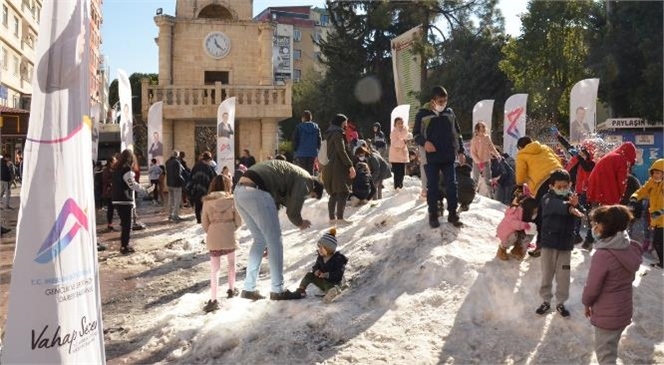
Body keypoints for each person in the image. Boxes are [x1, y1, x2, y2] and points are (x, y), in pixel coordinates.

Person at [234, 160, 324, 300]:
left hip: (240, 191)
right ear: (314, 188)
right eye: (311, 196)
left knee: (260, 240)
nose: (306, 197)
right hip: (257, 191)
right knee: (275, 240)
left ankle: (248, 288)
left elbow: (273, 205)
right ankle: (278, 290)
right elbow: (292, 210)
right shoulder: (306, 180)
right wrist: (300, 223)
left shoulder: (290, 176)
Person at [582, 205, 643, 364]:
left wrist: (587, 303)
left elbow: (592, 286)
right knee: (611, 348)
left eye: (598, 224)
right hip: (622, 311)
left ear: (608, 227)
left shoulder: (603, 254)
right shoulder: (629, 247)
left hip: (607, 314)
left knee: (605, 356)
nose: (594, 227)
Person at [535, 169, 585, 318]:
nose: (563, 189)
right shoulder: (547, 198)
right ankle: (545, 301)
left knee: (563, 276)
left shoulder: (572, 198)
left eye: (566, 186)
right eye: (559, 186)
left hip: (565, 245)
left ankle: (561, 303)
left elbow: (580, 211)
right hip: (549, 244)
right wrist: (570, 207)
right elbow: (556, 206)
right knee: (547, 274)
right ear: (551, 186)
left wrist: (577, 207)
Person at [413, 86, 464, 228]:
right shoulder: (422, 114)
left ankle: (453, 213)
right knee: (432, 186)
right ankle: (433, 215)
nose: (443, 103)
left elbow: (457, 133)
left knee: (452, 185)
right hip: (431, 158)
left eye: (445, 101)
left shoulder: (450, 113)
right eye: (440, 101)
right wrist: (425, 142)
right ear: (433, 101)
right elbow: (416, 135)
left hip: (448, 155)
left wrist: (461, 151)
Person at [514, 136, 563, 257]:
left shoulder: (522, 154)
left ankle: (542, 245)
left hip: (544, 183)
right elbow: (557, 159)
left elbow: (520, 172)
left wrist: (519, 186)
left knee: (543, 214)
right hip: (562, 177)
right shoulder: (544, 147)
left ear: (520, 147)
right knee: (562, 210)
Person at [201, 175, 243, 313]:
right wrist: (231, 228)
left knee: (215, 269)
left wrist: (212, 231)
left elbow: (204, 223)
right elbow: (239, 220)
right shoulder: (232, 200)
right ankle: (231, 289)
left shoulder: (207, 202)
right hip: (229, 234)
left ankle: (213, 300)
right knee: (231, 264)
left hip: (213, 235)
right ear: (227, 186)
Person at [294, 228, 349, 302]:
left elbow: (339, 274)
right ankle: (301, 290)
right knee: (309, 275)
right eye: (319, 247)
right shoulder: (321, 257)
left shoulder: (338, 259)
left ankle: (332, 293)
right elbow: (315, 266)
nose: (319, 250)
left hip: (334, 282)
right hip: (323, 280)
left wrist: (327, 275)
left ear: (329, 248)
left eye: (321, 248)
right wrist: (316, 271)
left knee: (331, 285)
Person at [321, 114, 356, 224]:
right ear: (341, 123)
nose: (346, 124)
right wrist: (350, 165)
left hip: (327, 166)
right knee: (343, 191)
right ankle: (340, 218)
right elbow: (341, 151)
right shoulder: (338, 134)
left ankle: (332, 219)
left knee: (334, 193)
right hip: (337, 166)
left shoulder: (327, 134)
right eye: (345, 122)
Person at [112, 149, 147, 255]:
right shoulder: (126, 169)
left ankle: (124, 245)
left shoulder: (116, 169)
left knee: (124, 224)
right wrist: (144, 190)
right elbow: (132, 184)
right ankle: (125, 246)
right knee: (127, 225)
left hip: (116, 199)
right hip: (125, 200)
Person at [629, 158, 663, 268]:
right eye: (654, 173)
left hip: (661, 218)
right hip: (657, 219)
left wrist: (660, 212)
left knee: (659, 242)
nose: (656, 175)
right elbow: (642, 191)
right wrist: (635, 197)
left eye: (658, 173)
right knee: (657, 242)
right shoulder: (651, 182)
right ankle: (662, 262)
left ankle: (662, 263)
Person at [495, 188, 538, 261]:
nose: (535, 213)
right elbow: (513, 223)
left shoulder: (528, 215)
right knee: (513, 236)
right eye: (534, 211)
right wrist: (524, 225)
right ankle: (502, 249)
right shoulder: (516, 212)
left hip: (518, 231)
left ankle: (518, 248)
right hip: (507, 232)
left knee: (530, 233)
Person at [470, 121, 501, 198]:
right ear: (478, 129)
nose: (484, 128)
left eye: (484, 127)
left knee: (488, 180)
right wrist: (478, 161)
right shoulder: (474, 139)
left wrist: (497, 155)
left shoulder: (487, 138)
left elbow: (491, 148)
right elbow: (473, 153)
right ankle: (472, 195)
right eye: (482, 127)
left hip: (486, 161)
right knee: (475, 179)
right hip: (477, 162)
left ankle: (491, 196)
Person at [190, 151, 218, 224]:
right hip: (206, 190)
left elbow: (191, 177)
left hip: (196, 189)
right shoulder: (209, 168)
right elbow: (214, 179)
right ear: (208, 159)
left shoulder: (196, 166)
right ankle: (205, 219)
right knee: (205, 205)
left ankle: (198, 220)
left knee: (197, 205)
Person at [292, 110, 322, 175]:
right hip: (312, 152)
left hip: (301, 152)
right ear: (310, 118)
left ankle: (304, 184)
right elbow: (319, 140)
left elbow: (295, 139)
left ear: (303, 118)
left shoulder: (299, 127)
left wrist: (295, 149)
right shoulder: (316, 127)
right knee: (311, 170)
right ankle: (311, 183)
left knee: (302, 171)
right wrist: (318, 149)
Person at [389, 117, 410, 191]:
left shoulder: (405, 131)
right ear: (395, 124)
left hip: (403, 155)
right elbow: (395, 143)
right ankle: (397, 188)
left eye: (402, 123)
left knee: (402, 173)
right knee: (397, 174)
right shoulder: (393, 133)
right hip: (395, 156)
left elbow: (407, 139)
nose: (400, 125)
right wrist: (404, 141)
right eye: (398, 123)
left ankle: (400, 187)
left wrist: (408, 140)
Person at [165, 150, 185, 222]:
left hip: (169, 183)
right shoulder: (177, 162)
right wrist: (183, 181)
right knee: (177, 200)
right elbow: (178, 174)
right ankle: (175, 215)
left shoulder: (167, 162)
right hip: (176, 184)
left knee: (170, 200)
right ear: (177, 155)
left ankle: (169, 215)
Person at [101, 156, 117, 231]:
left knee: (113, 208)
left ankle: (111, 224)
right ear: (110, 162)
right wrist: (112, 182)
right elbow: (105, 180)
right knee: (110, 208)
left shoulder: (114, 169)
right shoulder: (106, 170)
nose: (116, 161)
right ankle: (109, 224)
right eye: (114, 161)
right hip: (109, 192)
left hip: (114, 192)